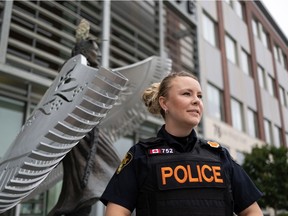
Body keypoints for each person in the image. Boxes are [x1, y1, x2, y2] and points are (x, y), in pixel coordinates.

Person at [100, 71, 263, 216]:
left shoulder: (219, 155)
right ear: (165, 103)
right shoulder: (141, 154)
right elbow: (117, 211)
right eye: (187, 94)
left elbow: (252, 210)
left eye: (199, 96)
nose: (196, 101)